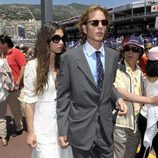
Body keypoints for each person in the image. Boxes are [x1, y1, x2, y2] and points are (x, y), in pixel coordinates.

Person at [57, 5, 127, 158]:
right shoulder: (68, 58)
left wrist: (117, 98)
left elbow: (109, 85)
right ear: (84, 28)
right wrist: (62, 129)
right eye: (94, 23)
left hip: (106, 131)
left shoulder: (113, 55)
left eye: (104, 23)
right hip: (80, 131)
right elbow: (63, 96)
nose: (100, 27)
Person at [23, 22, 73, 158]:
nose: (61, 42)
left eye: (63, 38)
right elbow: (29, 103)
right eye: (56, 39)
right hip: (43, 129)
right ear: (46, 41)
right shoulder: (33, 67)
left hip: (64, 127)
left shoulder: (64, 65)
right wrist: (31, 132)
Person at [113, 37, 158, 158]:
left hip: (136, 125)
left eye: (135, 49)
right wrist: (150, 100)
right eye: (127, 49)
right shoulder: (117, 69)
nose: (130, 52)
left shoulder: (139, 71)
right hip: (121, 124)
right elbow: (121, 92)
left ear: (140, 53)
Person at [0, 35, 26, 136]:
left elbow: (23, 66)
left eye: (0, 43)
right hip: (9, 89)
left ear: (5, 43)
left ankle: (35, 129)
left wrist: (18, 81)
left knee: (26, 108)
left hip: (20, 87)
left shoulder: (16, 52)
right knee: (15, 110)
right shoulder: (3, 55)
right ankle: (19, 128)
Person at [136, 46, 158, 158]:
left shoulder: (145, 78)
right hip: (155, 117)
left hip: (144, 115)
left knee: (145, 148)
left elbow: (144, 95)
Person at [0, 50, 14, 146]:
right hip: (3, 94)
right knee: (2, 117)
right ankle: (4, 137)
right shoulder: (3, 62)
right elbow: (10, 78)